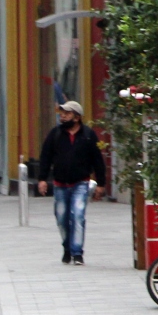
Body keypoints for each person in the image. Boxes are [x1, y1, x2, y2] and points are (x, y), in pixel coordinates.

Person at [36, 101, 106, 266]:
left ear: (77, 117)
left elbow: (98, 161)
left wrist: (101, 184)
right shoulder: (55, 134)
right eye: (62, 114)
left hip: (80, 183)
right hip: (60, 185)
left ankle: (77, 252)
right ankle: (67, 247)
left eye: (67, 114)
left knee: (78, 215)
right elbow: (45, 157)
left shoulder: (88, 135)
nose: (63, 117)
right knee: (61, 218)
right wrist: (42, 179)